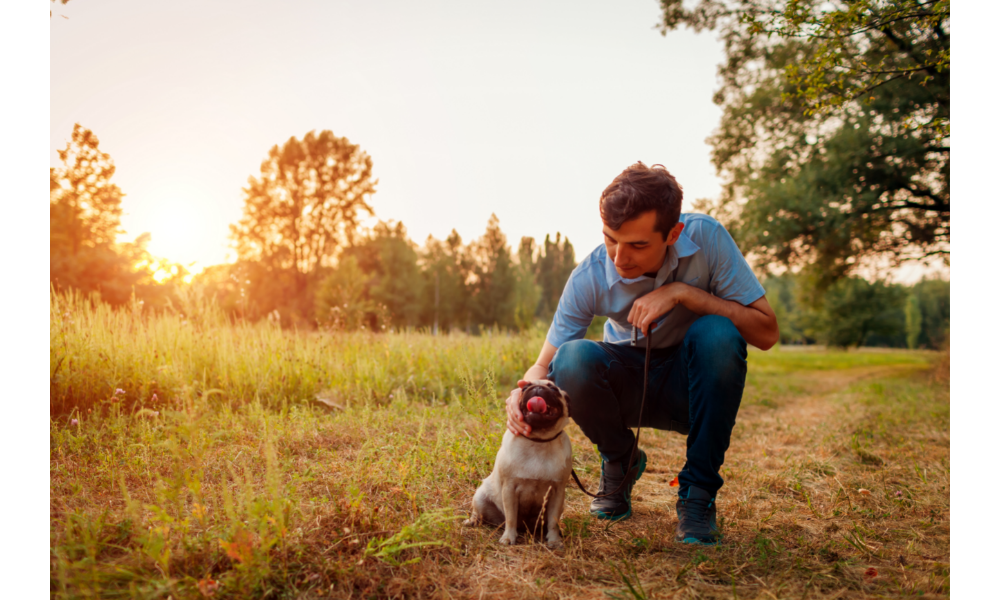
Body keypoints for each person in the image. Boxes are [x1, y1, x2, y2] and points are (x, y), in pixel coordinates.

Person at [505, 162, 779, 546]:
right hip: (626, 383)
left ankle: (698, 495)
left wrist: (688, 295)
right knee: (572, 359)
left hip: (692, 384)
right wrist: (521, 392)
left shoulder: (709, 238)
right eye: (610, 238)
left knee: (717, 332)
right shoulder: (590, 275)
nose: (619, 258)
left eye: (637, 245)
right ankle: (621, 460)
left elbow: (766, 332)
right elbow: (545, 364)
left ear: (673, 233)